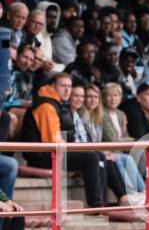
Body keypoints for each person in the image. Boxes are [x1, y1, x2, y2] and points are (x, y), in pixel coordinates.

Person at [19, 73, 108, 207]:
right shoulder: (46, 106)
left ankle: (102, 202)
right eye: (63, 86)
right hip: (42, 157)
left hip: (54, 153)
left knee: (99, 155)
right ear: (52, 86)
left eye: (69, 86)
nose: (67, 90)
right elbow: (52, 141)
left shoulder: (56, 103)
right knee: (91, 158)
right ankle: (96, 205)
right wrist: (78, 148)